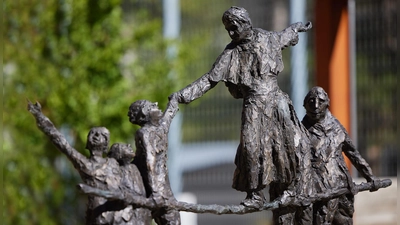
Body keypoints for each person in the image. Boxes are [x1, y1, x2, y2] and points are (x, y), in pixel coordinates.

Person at [170, 6, 313, 224]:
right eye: (228, 29)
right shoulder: (230, 53)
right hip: (254, 105)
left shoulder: (267, 38)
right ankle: (255, 194)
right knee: (250, 147)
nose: (231, 33)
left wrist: (298, 27)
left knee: (287, 145)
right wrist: (181, 96)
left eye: (234, 27)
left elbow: (285, 35)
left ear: (246, 22)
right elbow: (209, 80)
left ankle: (290, 188)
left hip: (276, 101)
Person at [28, 101, 150, 225]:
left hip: (121, 217)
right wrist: (39, 117)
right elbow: (60, 142)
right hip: (100, 218)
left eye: (101, 135)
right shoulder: (85, 164)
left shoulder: (114, 163)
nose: (96, 135)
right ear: (87, 142)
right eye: (92, 133)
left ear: (106, 145)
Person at [301, 87, 379, 225]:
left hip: (342, 189)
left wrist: (370, 177)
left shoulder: (337, 128)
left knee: (345, 221)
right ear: (304, 105)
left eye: (320, 101)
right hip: (319, 192)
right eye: (311, 101)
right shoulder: (300, 132)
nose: (316, 106)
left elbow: (354, 154)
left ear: (327, 104)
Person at [128, 97, 180, 225]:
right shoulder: (144, 133)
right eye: (151, 106)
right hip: (154, 191)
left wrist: (176, 98)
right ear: (145, 113)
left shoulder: (161, 126)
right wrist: (156, 193)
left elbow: (172, 107)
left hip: (162, 190)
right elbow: (149, 162)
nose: (156, 103)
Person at [107, 143, 152, 225]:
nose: (129, 145)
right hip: (127, 216)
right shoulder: (116, 172)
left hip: (143, 214)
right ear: (118, 154)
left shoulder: (135, 167)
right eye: (123, 146)